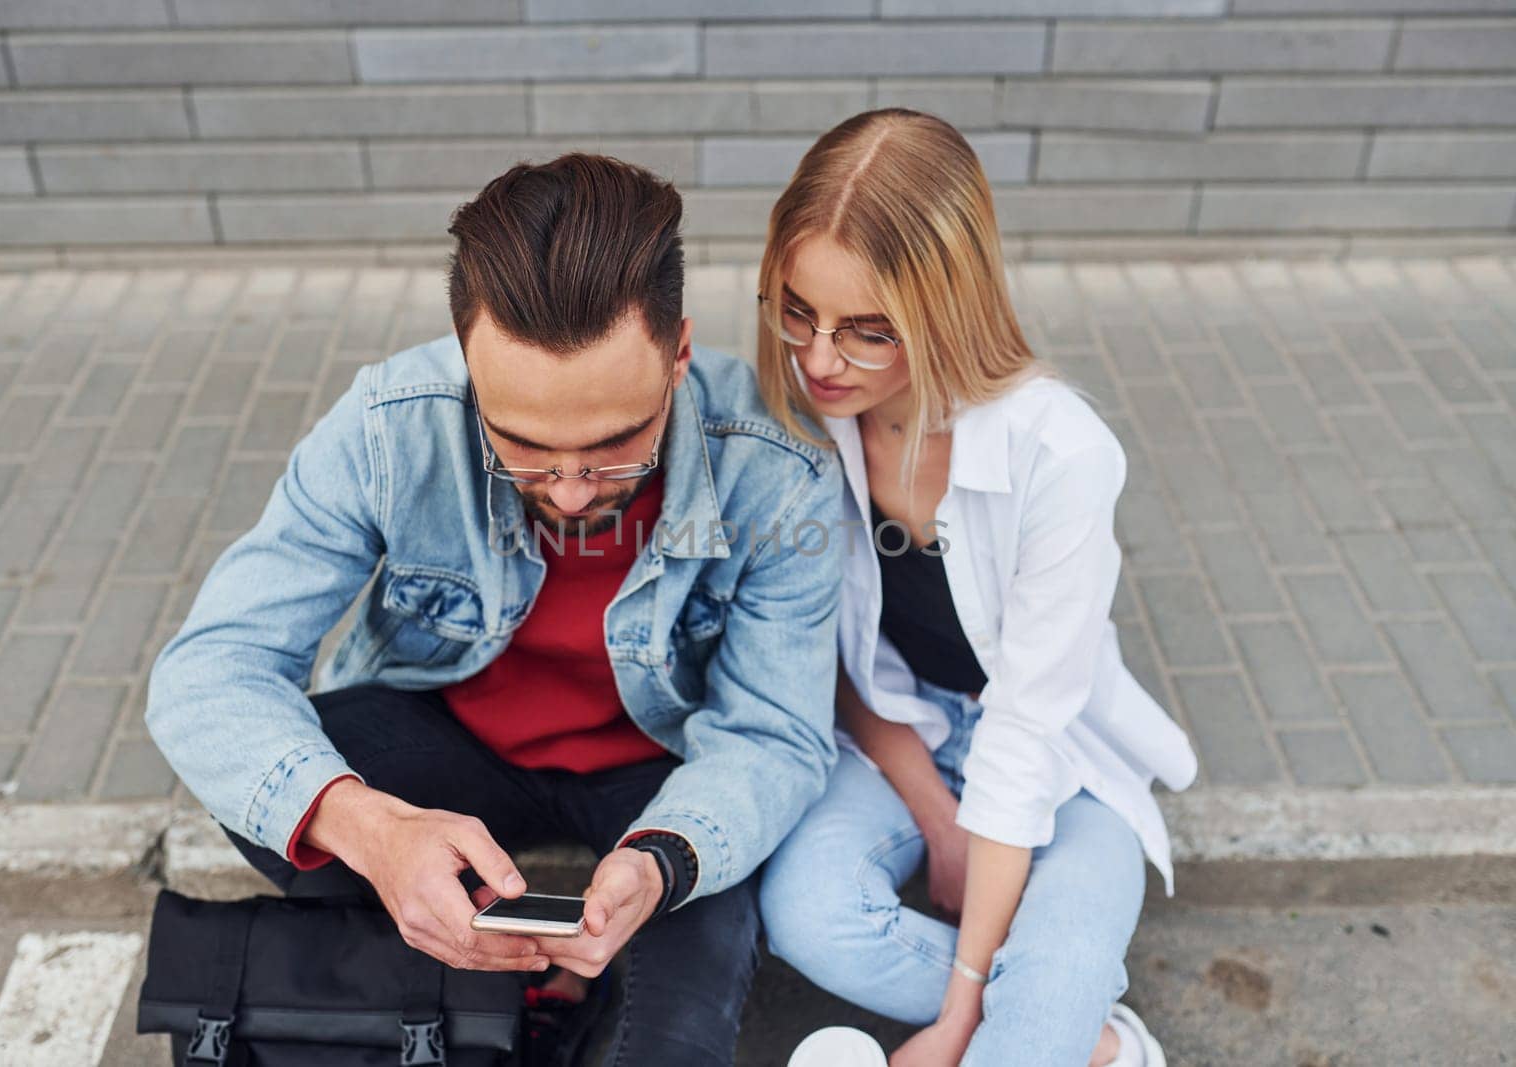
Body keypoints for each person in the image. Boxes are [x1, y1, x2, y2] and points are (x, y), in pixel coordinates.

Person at [144, 153, 844, 1066]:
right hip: (452, 747)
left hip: (661, 774)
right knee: (274, 798)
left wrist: (666, 857)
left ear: (679, 354)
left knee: (696, 984)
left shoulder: (779, 468)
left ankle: (529, 976)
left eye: (612, 447)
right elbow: (208, 671)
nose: (566, 489)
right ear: (468, 357)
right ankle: (487, 977)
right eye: (521, 444)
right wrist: (375, 830)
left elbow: (776, 735)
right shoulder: (392, 423)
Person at [753, 109, 1200, 1067]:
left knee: (1019, 1025)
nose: (820, 358)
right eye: (798, 310)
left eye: (868, 331)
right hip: (895, 737)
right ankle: (1090, 1040)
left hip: (1062, 770)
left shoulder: (1060, 452)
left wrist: (960, 1010)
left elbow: (1030, 729)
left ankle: (1049, 1027)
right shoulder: (799, 424)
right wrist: (932, 812)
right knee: (808, 912)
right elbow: (821, 655)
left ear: (943, 308)